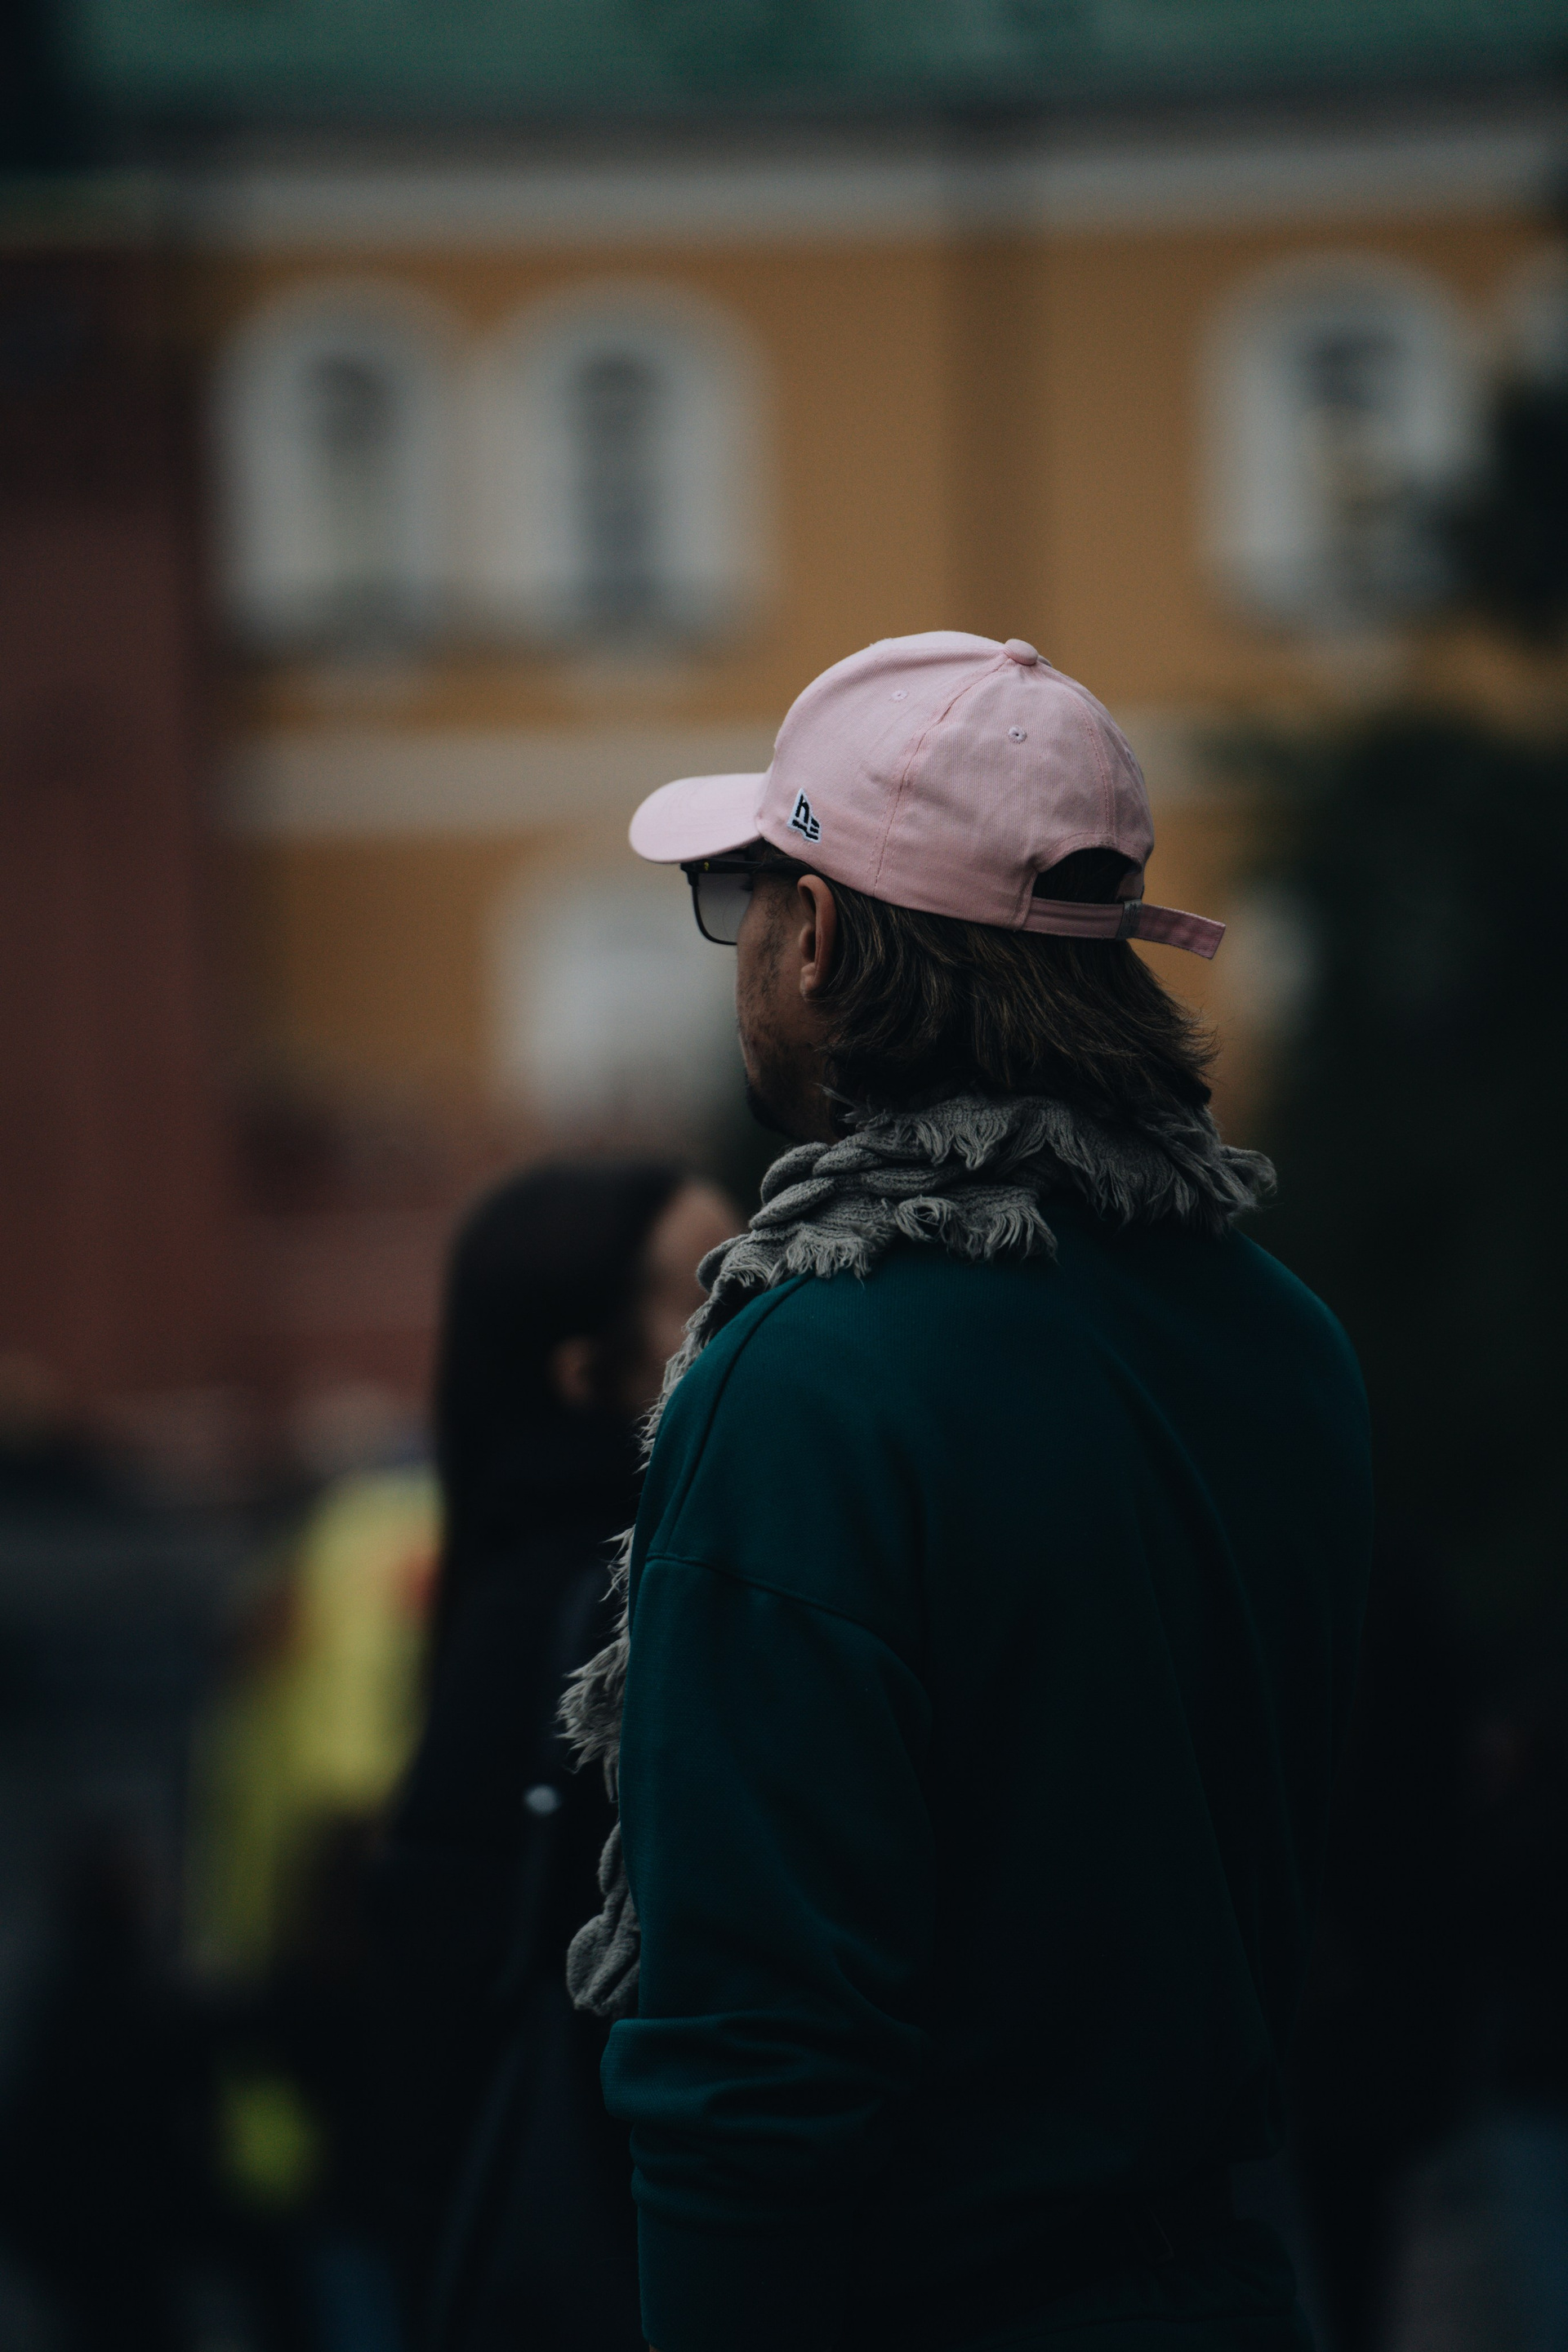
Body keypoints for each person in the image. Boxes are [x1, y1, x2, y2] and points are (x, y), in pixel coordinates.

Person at [563, 633, 1374, 2352]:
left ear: (821, 935)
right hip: (1225, 2292)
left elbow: (750, 2059)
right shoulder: (1287, 1340)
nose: (742, 946)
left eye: (743, 898)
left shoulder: (809, 1379)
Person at [372, 1160, 736, 2352]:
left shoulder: (531, 1583)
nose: (761, 1296)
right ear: (586, 1376)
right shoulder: (603, 1611)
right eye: (706, 1286)